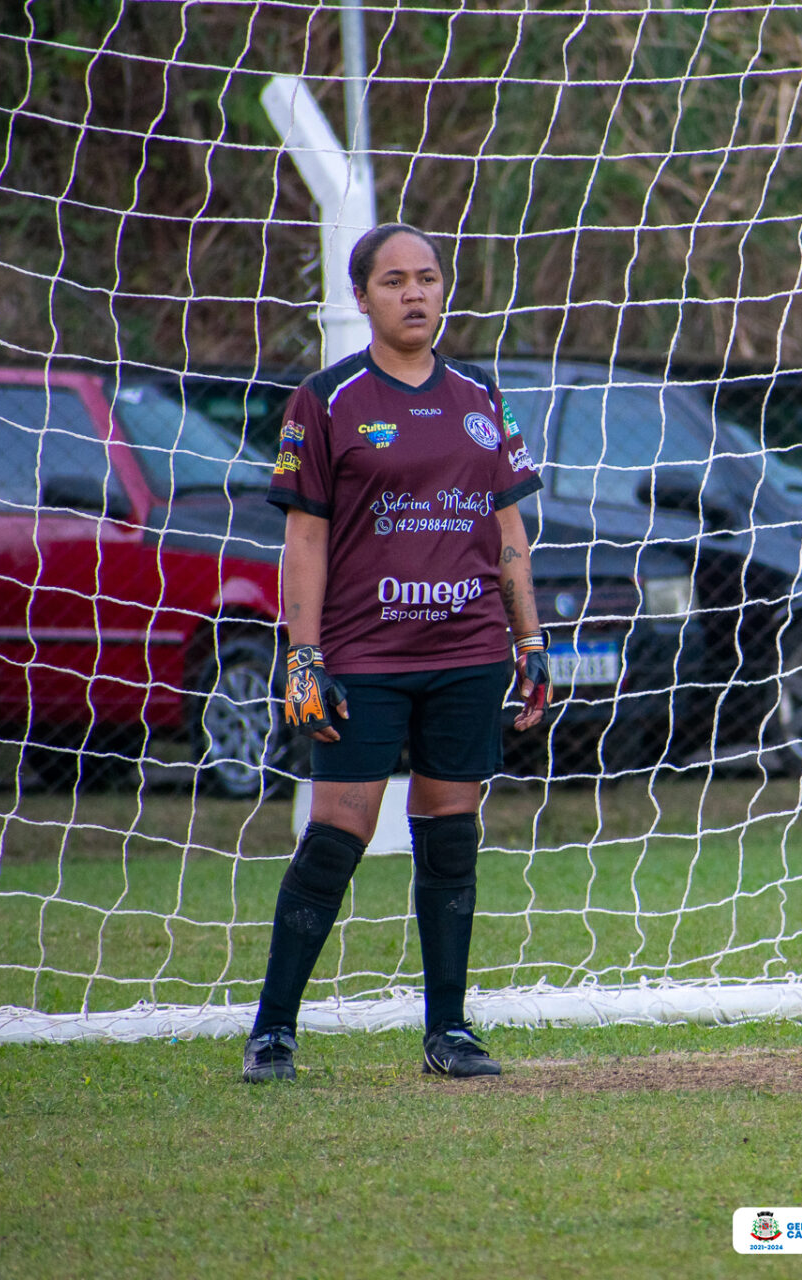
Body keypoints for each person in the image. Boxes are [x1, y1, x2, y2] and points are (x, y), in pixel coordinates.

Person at [242, 222, 549, 1083]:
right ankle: (273, 1031)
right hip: (365, 658)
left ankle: (448, 1031)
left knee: (449, 834)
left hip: (469, 652)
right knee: (337, 835)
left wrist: (528, 638)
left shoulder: (482, 395)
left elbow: (508, 528)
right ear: (361, 296)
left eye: (428, 279)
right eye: (394, 282)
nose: (414, 294)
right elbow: (304, 541)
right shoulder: (328, 399)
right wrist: (304, 657)